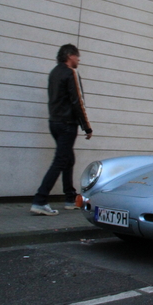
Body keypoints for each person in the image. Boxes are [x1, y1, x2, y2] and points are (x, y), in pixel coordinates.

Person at [31, 44, 93, 215]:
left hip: (55, 122)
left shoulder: (54, 73)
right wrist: (86, 126)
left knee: (68, 159)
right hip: (67, 124)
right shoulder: (69, 73)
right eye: (77, 56)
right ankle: (40, 200)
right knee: (60, 161)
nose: (79, 59)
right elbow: (77, 101)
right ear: (69, 56)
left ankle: (70, 198)